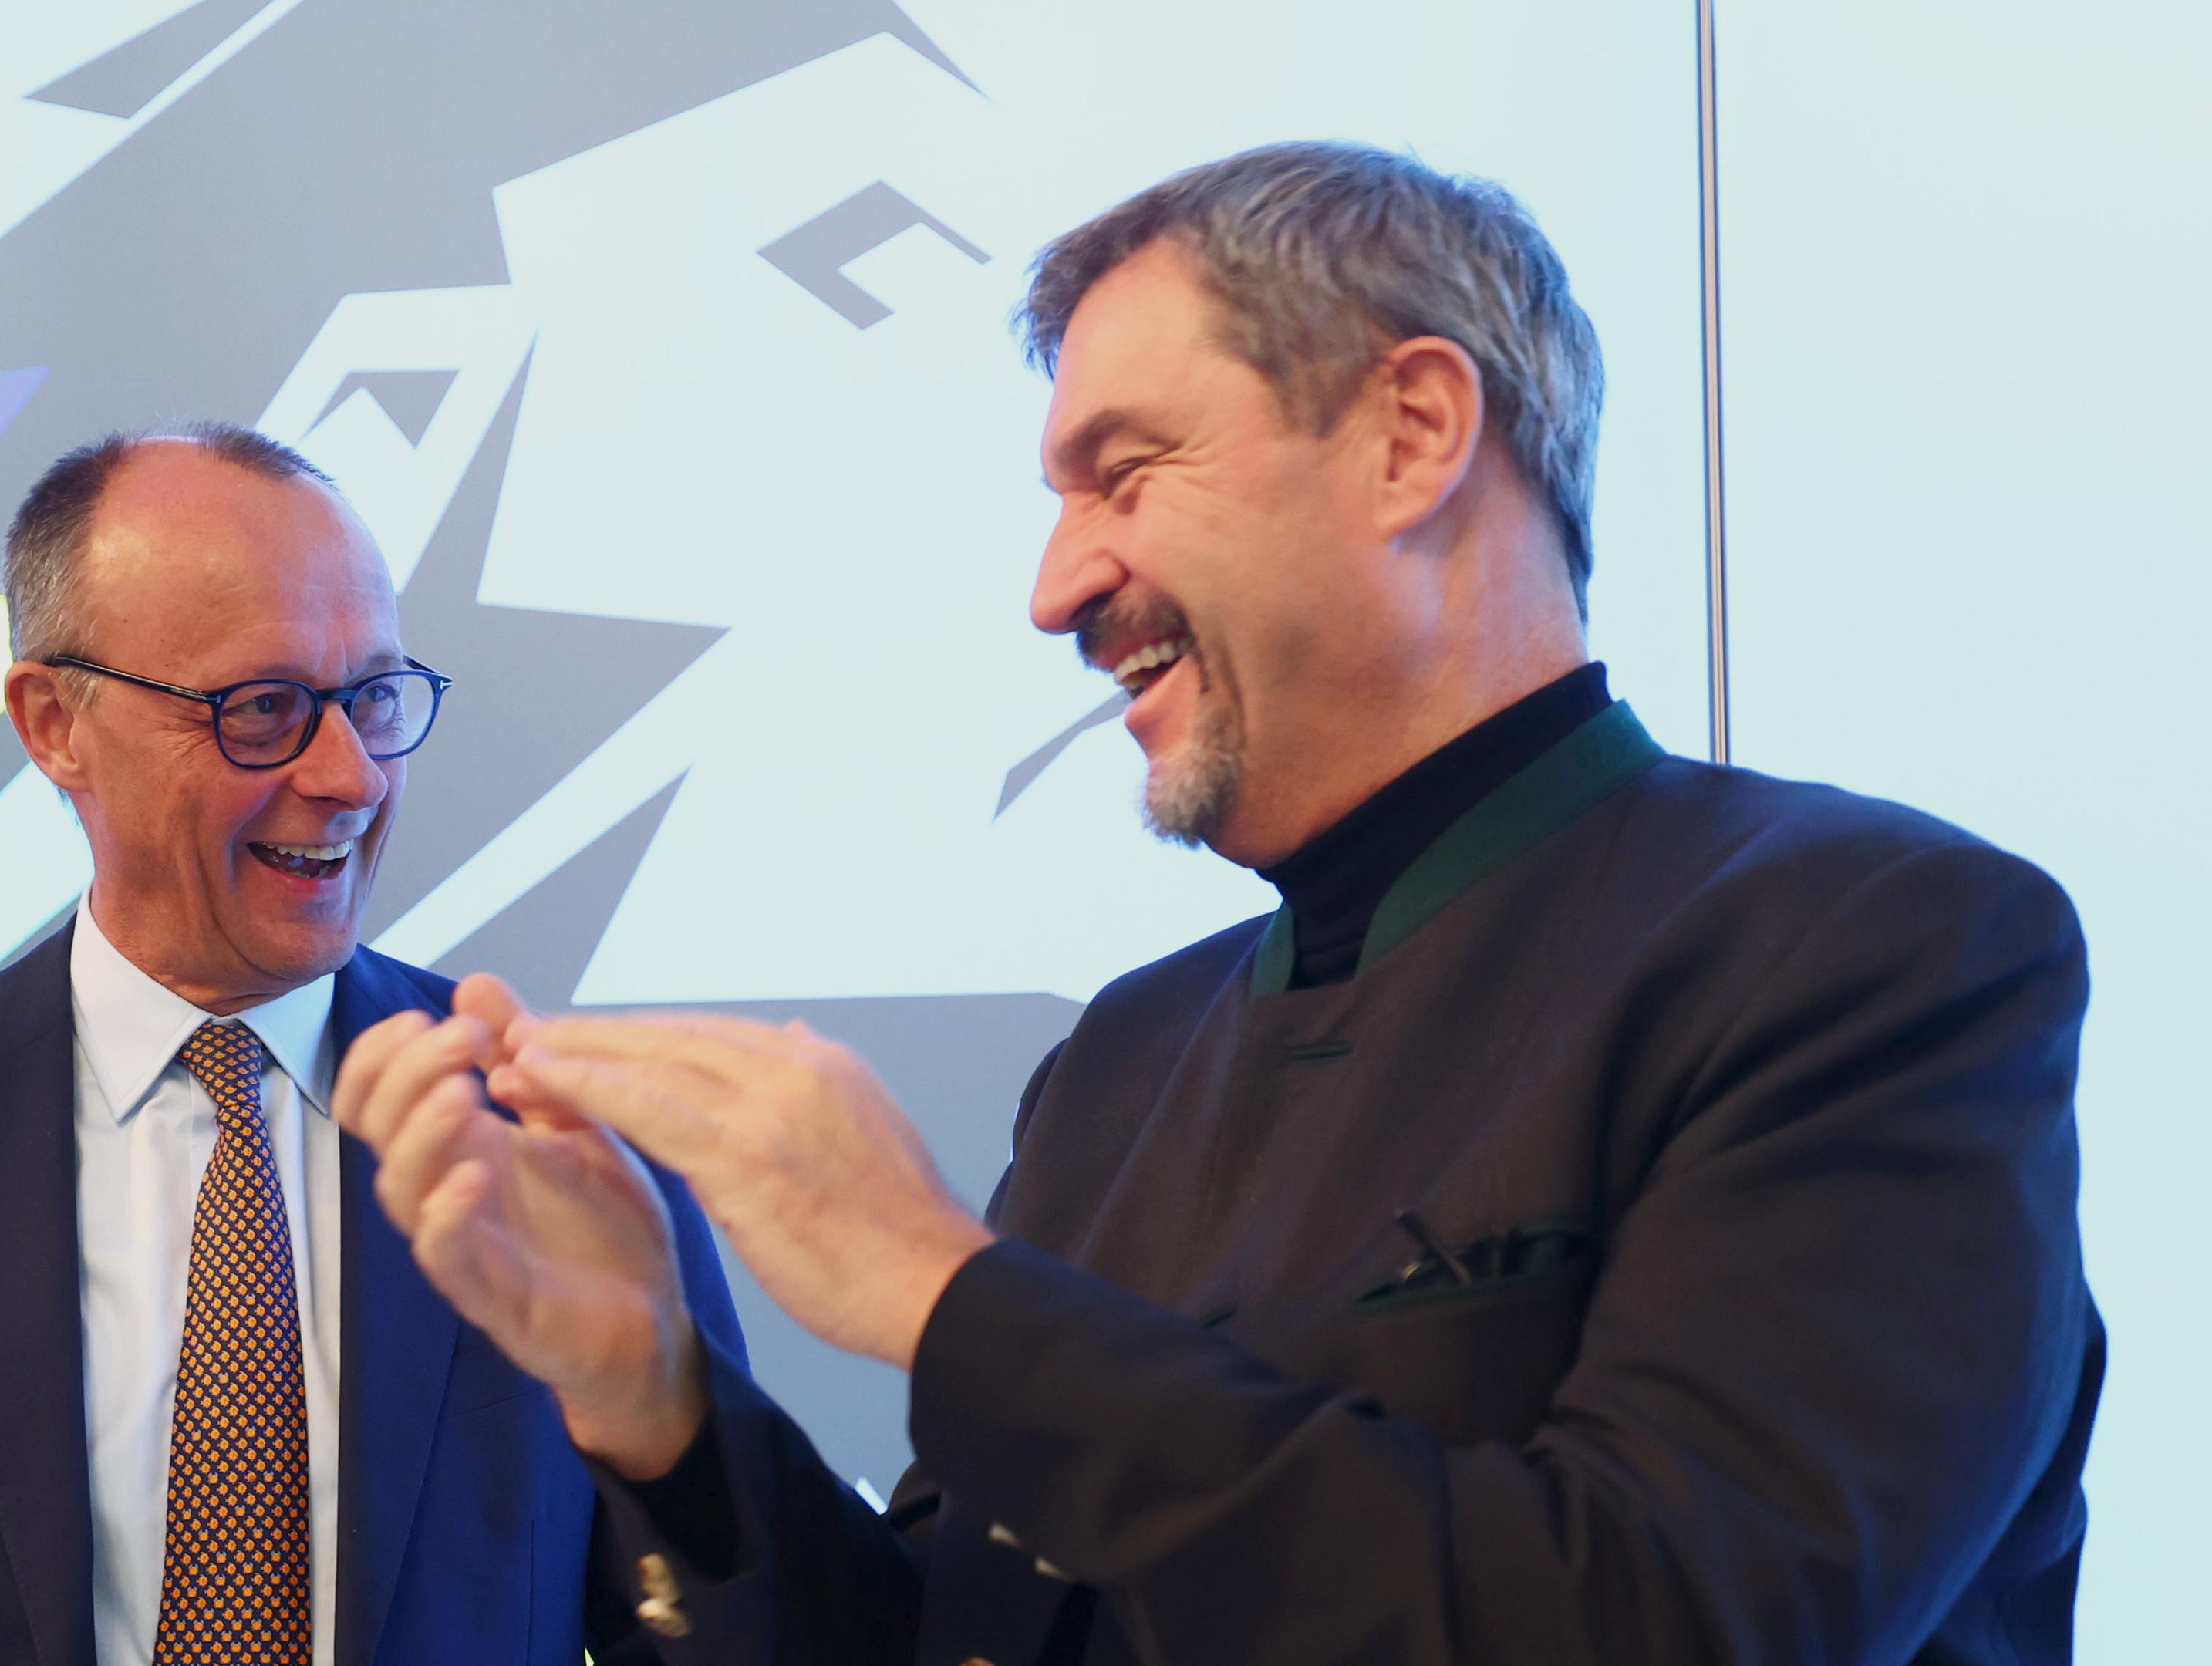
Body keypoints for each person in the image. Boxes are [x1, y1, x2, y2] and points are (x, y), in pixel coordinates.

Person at [336, 143, 2102, 1664]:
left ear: (1414, 434)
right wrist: (658, 1406)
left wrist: (937, 1291)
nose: (1055, 588)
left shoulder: (1873, 950)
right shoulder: (1128, 1055)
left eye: (1127, 470)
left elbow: (1668, 1620)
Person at [0, 426, 745, 1666]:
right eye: (264, 709)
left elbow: (735, 1632)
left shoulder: (555, 1139)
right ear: (55, 723)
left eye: (375, 700)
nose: (348, 776)